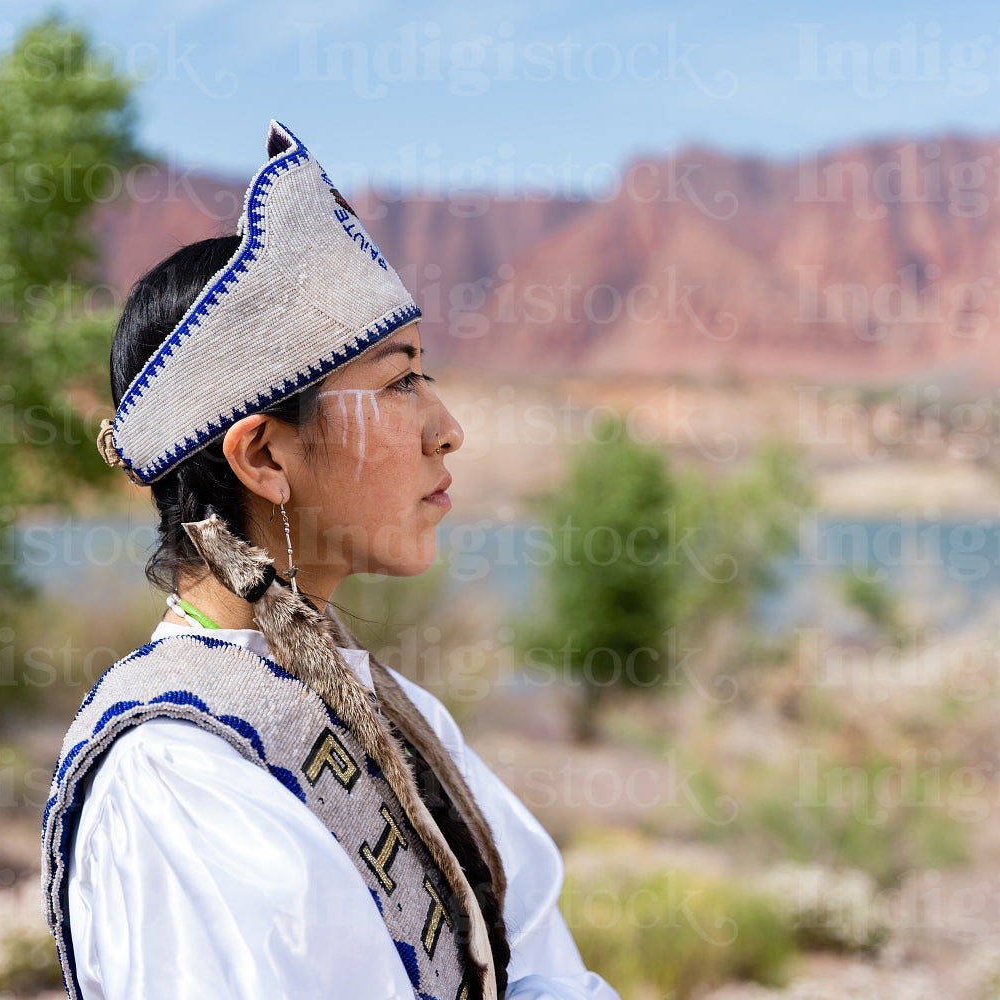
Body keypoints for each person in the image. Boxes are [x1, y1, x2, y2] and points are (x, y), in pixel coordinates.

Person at [39, 121, 620, 1000]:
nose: (446, 428)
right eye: (398, 383)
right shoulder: (172, 776)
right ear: (266, 458)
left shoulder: (386, 709)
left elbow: (538, 966)